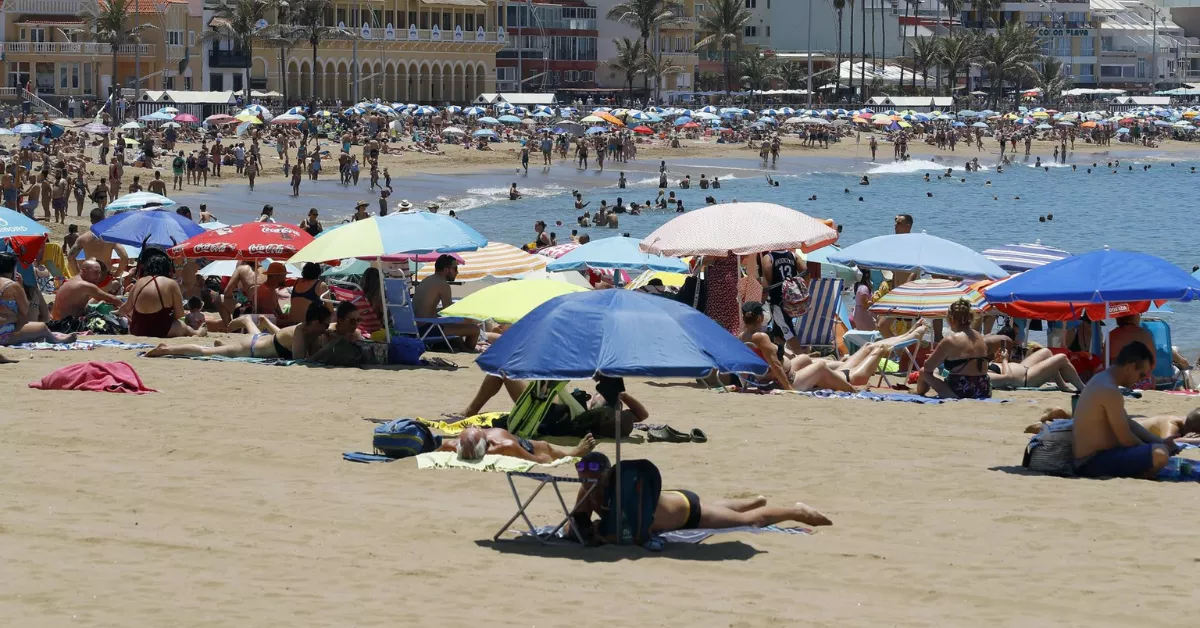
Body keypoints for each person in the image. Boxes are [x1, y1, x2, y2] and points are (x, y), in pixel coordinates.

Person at [569, 452, 831, 541]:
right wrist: (587, 528)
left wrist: (599, 530)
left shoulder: (623, 489)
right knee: (718, 510)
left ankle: (796, 511)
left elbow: (635, 529)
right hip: (672, 499)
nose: (586, 475)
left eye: (593, 470)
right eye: (581, 469)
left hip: (686, 512)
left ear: (607, 472)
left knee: (748, 521)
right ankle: (755, 499)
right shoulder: (587, 490)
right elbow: (577, 524)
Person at [1072, 341, 1174, 479]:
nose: (1139, 380)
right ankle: (1144, 475)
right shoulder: (1109, 390)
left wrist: (1159, 441)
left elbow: (1128, 423)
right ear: (1130, 367)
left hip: (1094, 458)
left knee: (1159, 448)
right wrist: (1152, 449)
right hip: (1091, 462)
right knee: (1159, 454)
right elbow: (1126, 439)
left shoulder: (1103, 380)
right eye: (1141, 375)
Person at [460, 374, 648, 438]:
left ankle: (470, 412)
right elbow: (641, 415)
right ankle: (470, 411)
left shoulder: (609, 407)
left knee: (502, 371)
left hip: (555, 414)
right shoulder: (613, 412)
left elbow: (642, 415)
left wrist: (621, 394)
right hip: (562, 417)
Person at [146, 303, 331, 361]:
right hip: (249, 348)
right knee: (205, 352)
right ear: (315, 322)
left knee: (219, 349)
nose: (327, 328)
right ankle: (166, 349)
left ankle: (246, 322)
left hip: (262, 339)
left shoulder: (311, 331)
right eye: (325, 324)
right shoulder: (300, 332)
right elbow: (300, 361)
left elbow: (314, 356)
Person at [0, 253, 76, 355]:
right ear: (13, 269)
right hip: (5, 333)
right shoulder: (12, 286)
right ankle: (57, 340)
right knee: (42, 327)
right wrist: (21, 286)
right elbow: (25, 309)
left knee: (33, 330)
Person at [121, 248, 203, 338]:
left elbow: (126, 308)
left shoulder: (139, 282)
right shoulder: (171, 283)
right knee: (183, 326)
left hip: (137, 330)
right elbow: (180, 314)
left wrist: (115, 311)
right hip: (161, 331)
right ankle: (198, 333)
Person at [918, 299, 991, 399]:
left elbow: (928, 367)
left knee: (923, 372)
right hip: (983, 389)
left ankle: (919, 393)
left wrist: (936, 358)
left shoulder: (950, 340)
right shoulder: (979, 336)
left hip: (960, 391)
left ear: (951, 318)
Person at [413, 255, 482, 350]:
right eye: (455, 268)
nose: (457, 272)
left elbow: (429, 308)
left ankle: (461, 346)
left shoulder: (427, 280)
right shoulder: (443, 284)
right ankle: (469, 351)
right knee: (475, 329)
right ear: (446, 270)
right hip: (428, 329)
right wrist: (467, 310)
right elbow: (449, 310)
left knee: (463, 324)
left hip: (417, 327)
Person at [439, 426, 596, 464]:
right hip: (519, 442)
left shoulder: (450, 445)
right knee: (545, 447)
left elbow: (431, 453)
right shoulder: (506, 446)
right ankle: (572, 454)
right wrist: (546, 459)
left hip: (507, 439)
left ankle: (572, 453)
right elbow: (541, 460)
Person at [67, 208, 130, 289]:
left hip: (88, 277)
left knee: (88, 301)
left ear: (91, 221)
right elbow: (124, 257)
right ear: (104, 219)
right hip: (104, 277)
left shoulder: (82, 238)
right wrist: (117, 273)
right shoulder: (110, 238)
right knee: (103, 300)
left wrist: (78, 274)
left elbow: (70, 257)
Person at [49, 259, 123, 324]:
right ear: (84, 271)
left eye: (99, 273)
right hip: (67, 325)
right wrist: (128, 311)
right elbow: (113, 299)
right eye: (95, 272)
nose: (98, 276)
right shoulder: (85, 285)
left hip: (56, 323)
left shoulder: (72, 281)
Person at [759, 249, 802, 355]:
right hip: (792, 298)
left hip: (778, 299)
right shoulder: (794, 256)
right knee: (778, 331)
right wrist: (798, 288)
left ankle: (801, 355)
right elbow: (806, 273)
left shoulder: (768, 258)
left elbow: (767, 280)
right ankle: (780, 354)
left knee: (787, 328)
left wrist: (762, 300)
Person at [989, 346, 1085, 393]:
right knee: (1062, 358)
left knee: (1046, 352)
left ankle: (1062, 385)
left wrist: (997, 361)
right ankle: (1083, 388)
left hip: (1023, 367)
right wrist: (1005, 361)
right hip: (1027, 378)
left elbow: (1002, 371)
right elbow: (1007, 378)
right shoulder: (985, 375)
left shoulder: (981, 365)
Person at [1108, 313, 1157, 389]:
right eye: (1139, 314)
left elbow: (1105, 364)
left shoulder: (1111, 335)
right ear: (1134, 316)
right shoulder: (1145, 335)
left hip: (1117, 382)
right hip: (1143, 383)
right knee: (1152, 377)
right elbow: (1152, 365)